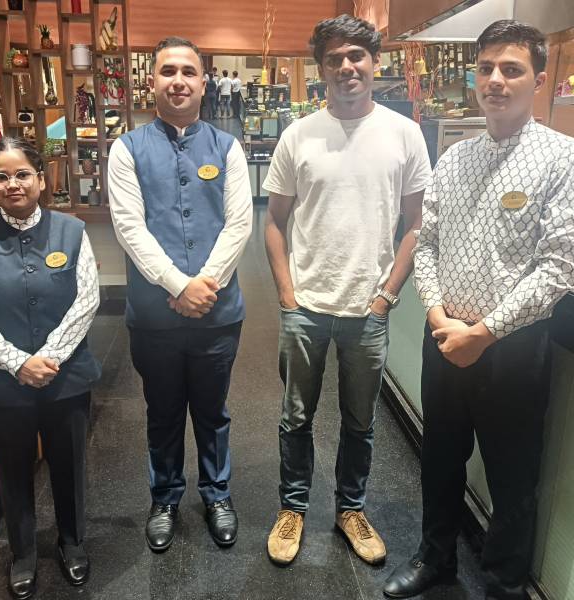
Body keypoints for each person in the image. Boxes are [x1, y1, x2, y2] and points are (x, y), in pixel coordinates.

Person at [383, 20, 574, 600]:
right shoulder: (455, 157)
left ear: (538, 80)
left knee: (513, 474)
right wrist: (437, 315)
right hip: (444, 337)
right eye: (486, 68)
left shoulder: (562, 158)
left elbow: (559, 266)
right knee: (439, 458)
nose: (495, 80)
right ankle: (435, 559)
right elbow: (427, 243)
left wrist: (486, 333)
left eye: (511, 69)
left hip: (513, 348)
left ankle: (503, 583)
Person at [263, 14, 431, 566]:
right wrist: (286, 295)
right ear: (321, 68)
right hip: (305, 307)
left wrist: (387, 296)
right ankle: (293, 508)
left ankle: (350, 509)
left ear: (375, 62)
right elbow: (274, 221)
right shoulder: (298, 135)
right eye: (333, 58)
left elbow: (416, 223)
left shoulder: (404, 134)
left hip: (368, 309)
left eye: (356, 55)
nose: (346, 66)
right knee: (295, 417)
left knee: (360, 422)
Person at [108, 37, 252, 552]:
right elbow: (129, 227)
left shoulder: (227, 147)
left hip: (217, 312)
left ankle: (217, 494)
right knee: (163, 411)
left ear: (204, 82)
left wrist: (202, 287)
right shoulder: (126, 149)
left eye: (188, 71)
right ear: (152, 81)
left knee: (213, 411)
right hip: (154, 317)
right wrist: (177, 285)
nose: (178, 81)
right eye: (167, 71)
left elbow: (239, 224)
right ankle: (165, 498)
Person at [0, 137, 101, 599]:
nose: (13, 184)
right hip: (0, 382)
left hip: (65, 377)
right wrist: (17, 363)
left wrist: (48, 358)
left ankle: (72, 542)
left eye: (23, 174)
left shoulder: (72, 230)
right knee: (12, 468)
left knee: (69, 463)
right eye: (1, 176)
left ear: (41, 180)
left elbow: (87, 298)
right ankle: (23, 552)